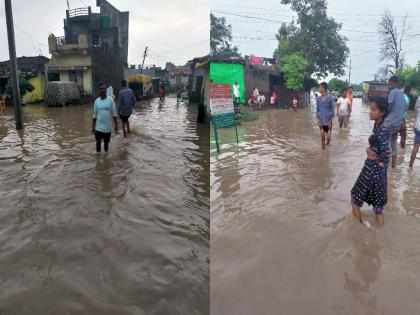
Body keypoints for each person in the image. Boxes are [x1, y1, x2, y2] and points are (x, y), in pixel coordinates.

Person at [351, 97, 390, 226]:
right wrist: (369, 148)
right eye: (370, 109)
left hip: (371, 172)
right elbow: (379, 147)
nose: (370, 112)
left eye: (373, 110)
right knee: (378, 208)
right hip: (379, 174)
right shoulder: (378, 125)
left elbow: (386, 154)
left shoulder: (382, 130)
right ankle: (380, 236)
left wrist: (376, 159)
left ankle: (359, 230)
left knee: (355, 198)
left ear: (382, 112)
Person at [374, 76, 405, 168]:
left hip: (389, 123)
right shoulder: (401, 94)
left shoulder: (392, 92)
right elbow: (403, 110)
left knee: (381, 143)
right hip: (397, 124)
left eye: (390, 84)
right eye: (388, 84)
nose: (388, 86)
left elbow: (389, 106)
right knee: (394, 144)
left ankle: (381, 165)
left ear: (395, 84)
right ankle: (393, 166)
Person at [92, 82, 118, 152]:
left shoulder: (111, 100)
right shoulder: (96, 101)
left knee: (106, 145)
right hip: (98, 128)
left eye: (104, 88)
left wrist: (116, 126)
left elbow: (114, 114)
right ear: (99, 90)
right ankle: (99, 161)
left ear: (106, 90)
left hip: (107, 128)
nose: (102, 90)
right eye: (101, 89)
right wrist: (93, 127)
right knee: (98, 145)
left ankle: (106, 160)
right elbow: (94, 115)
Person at [316, 82, 335, 149]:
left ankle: (328, 141)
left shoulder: (331, 98)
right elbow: (317, 111)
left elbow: (333, 111)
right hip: (321, 121)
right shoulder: (318, 98)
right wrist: (318, 120)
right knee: (322, 138)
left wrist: (330, 121)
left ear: (324, 88)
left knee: (328, 138)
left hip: (328, 121)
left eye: (320, 88)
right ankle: (323, 153)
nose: (319, 89)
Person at [409, 97, 420, 167]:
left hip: (418, 127)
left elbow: (416, 108)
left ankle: (410, 166)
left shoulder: (419, 98)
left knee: (415, 147)